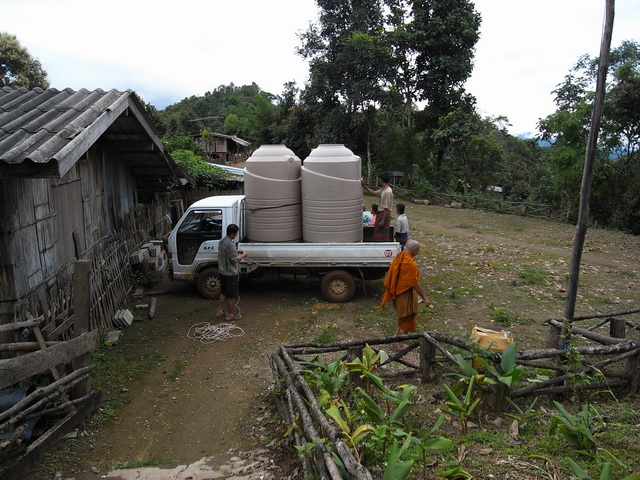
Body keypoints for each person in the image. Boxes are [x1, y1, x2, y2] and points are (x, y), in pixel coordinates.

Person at [377, 239, 432, 350]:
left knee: (403, 318)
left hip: (399, 292)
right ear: (415, 251)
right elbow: (414, 284)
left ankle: (395, 338)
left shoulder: (401, 256)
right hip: (404, 294)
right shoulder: (410, 264)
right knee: (407, 319)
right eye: (418, 249)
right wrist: (425, 298)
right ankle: (400, 344)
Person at [215, 224, 249, 321]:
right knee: (232, 295)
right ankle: (230, 315)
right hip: (230, 273)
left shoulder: (222, 241)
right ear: (232, 234)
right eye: (236, 233)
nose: (236, 235)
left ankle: (219, 311)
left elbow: (227, 252)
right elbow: (234, 260)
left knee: (224, 292)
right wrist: (243, 255)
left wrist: (236, 251)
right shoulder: (230, 243)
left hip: (222, 271)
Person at [361, 172, 393, 241]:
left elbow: (387, 208)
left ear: (381, 180)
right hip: (380, 214)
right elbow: (374, 193)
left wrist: (383, 220)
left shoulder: (388, 192)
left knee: (382, 236)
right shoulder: (383, 190)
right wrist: (364, 186)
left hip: (384, 214)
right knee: (377, 235)